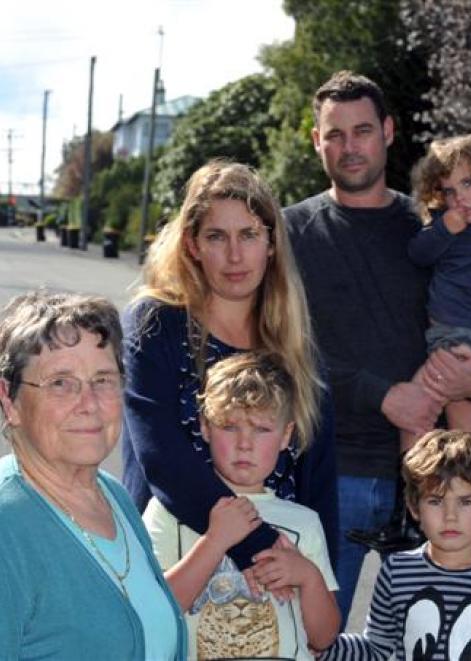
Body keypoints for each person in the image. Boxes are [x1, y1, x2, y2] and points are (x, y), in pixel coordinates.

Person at [283, 69, 471, 626]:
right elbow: (279, 350)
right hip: (330, 473)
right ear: (316, 140)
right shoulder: (289, 233)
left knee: (433, 638)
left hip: (434, 486)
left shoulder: (435, 228)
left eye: (362, 131)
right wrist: (382, 396)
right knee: (314, 638)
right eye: (335, 134)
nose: (350, 147)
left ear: (389, 131)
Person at [121, 159, 338, 577]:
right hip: (174, 569)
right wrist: (264, 551)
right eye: (217, 236)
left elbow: (319, 484)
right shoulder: (155, 324)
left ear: (271, 243)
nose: (235, 255)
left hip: (281, 581)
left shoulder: (296, 347)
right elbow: (162, 459)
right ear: (192, 245)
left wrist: (317, 581)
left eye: (250, 235)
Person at [0, 291, 187, 660]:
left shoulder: (112, 496)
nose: (88, 404)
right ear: (9, 401)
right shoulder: (7, 527)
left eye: (103, 380)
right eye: (60, 383)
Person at [143, 352, 340, 659]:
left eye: (261, 429)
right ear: (205, 427)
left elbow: (324, 637)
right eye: (230, 427)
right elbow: (153, 613)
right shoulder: (168, 510)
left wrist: (309, 577)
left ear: (286, 434)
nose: (245, 443)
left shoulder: (305, 522)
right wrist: (215, 540)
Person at [321, 429, 471, 659]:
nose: (450, 515)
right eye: (435, 501)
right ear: (414, 508)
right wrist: (320, 646)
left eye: (466, 501)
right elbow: (377, 649)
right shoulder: (397, 570)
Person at [402, 134, 471, 450]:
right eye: (450, 191)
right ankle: (469, 486)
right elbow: (418, 254)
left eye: (469, 183)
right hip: (443, 334)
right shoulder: (449, 224)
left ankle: (415, 486)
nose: (460, 198)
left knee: (417, 412)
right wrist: (444, 229)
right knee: (459, 421)